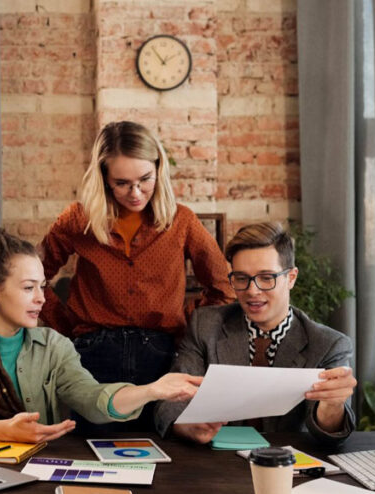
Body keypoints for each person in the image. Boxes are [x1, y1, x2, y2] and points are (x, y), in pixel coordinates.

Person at [0, 225, 203, 445]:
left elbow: (92, 398)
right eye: (28, 287)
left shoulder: (54, 347)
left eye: (42, 286)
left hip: (36, 483)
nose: (41, 298)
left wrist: (152, 390)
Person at [39, 121, 235, 432]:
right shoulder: (78, 221)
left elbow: (224, 288)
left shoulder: (182, 221)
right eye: (122, 183)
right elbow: (35, 279)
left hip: (159, 357)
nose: (135, 192)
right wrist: (67, 326)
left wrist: (182, 318)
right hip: (92, 356)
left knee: (161, 453)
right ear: (104, 177)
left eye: (145, 179)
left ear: (159, 168)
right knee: (93, 451)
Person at [154, 222, 358, 447]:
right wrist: (186, 425)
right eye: (241, 278)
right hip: (217, 466)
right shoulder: (206, 325)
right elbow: (169, 402)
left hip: (288, 467)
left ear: (291, 278)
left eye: (266, 277)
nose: (252, 290)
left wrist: (333, 405)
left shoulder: (329, 344)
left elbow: (328, 435)